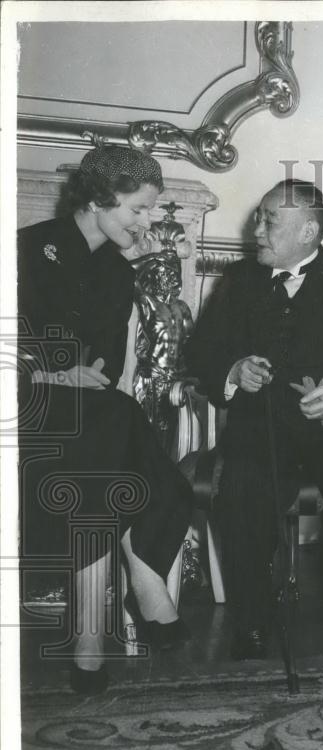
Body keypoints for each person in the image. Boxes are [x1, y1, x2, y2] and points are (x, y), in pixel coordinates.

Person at [186, 179, 323, 687]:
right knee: (240, 487)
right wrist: (234, 370)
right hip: (261, 429)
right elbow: (199, 355)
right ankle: (253, 623)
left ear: (309, 230)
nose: (255, 229)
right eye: (258, 218)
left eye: (269, 221)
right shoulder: (239, 281)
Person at [18, 145, 194, 694]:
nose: (148, 224)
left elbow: (105, 367)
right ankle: (145, 588)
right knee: (118, 426)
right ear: (98, 199)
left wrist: (75, 378)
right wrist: (51, 375)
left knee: (105, 445)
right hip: (22, 409)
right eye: (137, 210)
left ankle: (89, 640)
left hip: (88, 420)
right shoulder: (26, 249)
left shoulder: (119, 273)